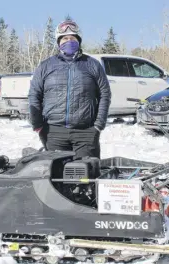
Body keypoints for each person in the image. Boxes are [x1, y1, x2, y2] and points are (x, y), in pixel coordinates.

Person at [28, 19, 111, 159]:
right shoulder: (46, 66)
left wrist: (98, 125)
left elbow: (105, 94)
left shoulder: (92, 65)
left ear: (79, 41)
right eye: (65, 38)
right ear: (58, 41)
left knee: (85, 176)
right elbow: (34, 94)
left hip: (86, 132)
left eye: (72, 38)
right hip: (53, 132)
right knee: (56, 176)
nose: (69, 41)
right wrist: (38, 125)